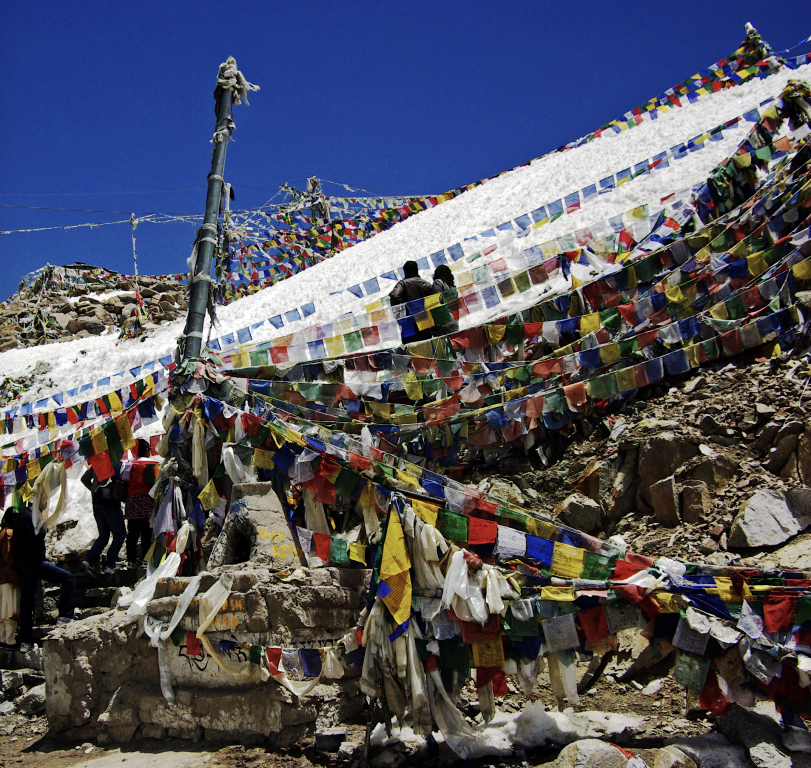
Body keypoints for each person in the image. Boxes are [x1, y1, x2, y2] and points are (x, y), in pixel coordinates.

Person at [13, 503, 74, 652]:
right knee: (68, 578)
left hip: (24, 565)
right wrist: (42, 528)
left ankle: (26, 641)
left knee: (27, 602)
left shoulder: (22, 516)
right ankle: (65, 617)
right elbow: (34, 538)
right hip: (34, 563)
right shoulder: (28, 517)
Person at [81, 464, 125, 575]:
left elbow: (84, 479)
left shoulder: (96, 464)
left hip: (97, 503)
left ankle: (88, 560)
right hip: (111, 503)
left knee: (104, 535)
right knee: (120, 534)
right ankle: (110, 564)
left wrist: (94, 490)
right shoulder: (117, 465)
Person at [123, 439, 157, 564]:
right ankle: (145, 559)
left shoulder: (129, 465)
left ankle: (131, 559)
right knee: (146, 532)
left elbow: (124, 480)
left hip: (132, 501)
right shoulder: (153, 464)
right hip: (147, 501)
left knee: (132, 533)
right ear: (147, 450)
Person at [389, 260, 437, 343]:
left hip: (409, 325)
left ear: (405, 272)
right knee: (426, 348)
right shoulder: (426, 284)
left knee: (413, 350)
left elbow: (395, 295)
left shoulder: (402, 284)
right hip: (425, 322)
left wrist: (401, 314)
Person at [0, 511, 19, 647]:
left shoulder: (1, 532)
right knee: (10, 611)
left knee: (2, 612)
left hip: (1, 578)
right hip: (8, 578)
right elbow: (9, 558)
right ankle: (10, 640)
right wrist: (15, 579)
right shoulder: (9, 534)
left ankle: (2, 638)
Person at [431, 264, 460, 336]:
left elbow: (437, 301)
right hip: (454, 319)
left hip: (443, 321)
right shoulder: (453, 287)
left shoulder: (438, 283)